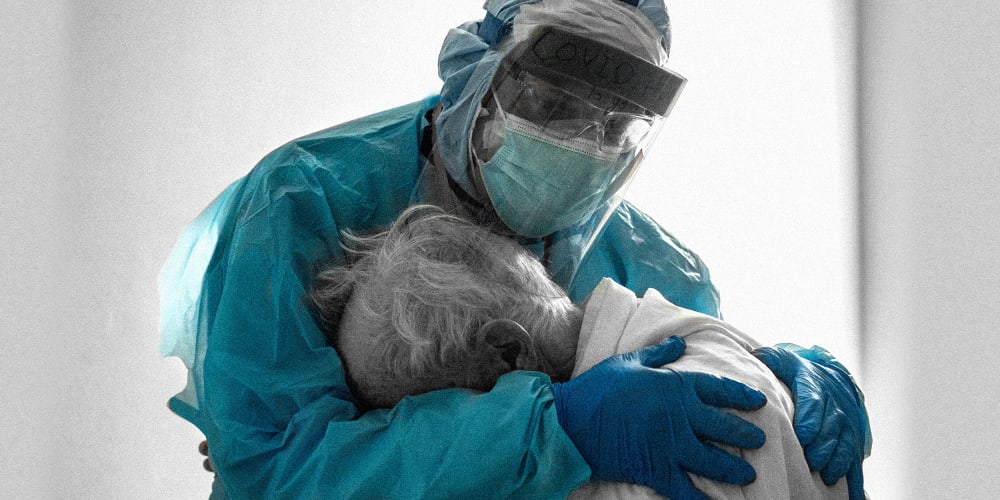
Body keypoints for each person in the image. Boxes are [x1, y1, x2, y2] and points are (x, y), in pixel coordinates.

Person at [159, 0, 870, 498]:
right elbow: (276, 469)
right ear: (477, 73)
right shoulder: (300, 204)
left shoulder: (652, 265)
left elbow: (712, 405)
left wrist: (778, 371)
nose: (580, 143)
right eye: (553, 103)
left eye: (616, 125)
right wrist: (549, 427)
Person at [311, 204, 859, 499]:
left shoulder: (676, 446)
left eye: (435, 413)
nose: (443, 449)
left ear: (507, 353)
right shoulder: (705, 342)